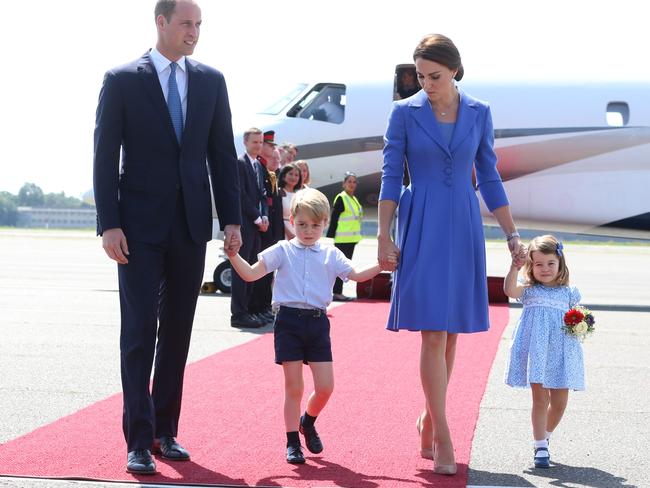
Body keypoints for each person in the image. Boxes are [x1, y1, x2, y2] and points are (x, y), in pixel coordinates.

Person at [93, 0, 242, 474]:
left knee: (177, 333)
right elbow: (103, 155)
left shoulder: (211, 81)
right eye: (185, 23)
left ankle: (164, 430)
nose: (194, 32)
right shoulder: (121, 80)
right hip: (135, 227)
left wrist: (232, 219)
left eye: (198, 25)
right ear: (161, 22)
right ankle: (137, 439)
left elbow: (221, 154)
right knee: (138, 332)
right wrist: (108, 222)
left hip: (190, 225)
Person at [376, 33, 525, 475]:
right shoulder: (403, 113)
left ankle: (427, 416)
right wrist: (383, 236)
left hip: (462, 223)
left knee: (453, 331)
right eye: (420, 76)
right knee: (432, 332)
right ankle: (443, 431)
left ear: (455, 70)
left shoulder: (480, 112)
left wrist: (512, 234)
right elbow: (388, 177)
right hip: (419, 220)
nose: (426, 84)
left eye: (434, 76)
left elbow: (490, 176)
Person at [226, 188, 392, 464]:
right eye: (302, 224)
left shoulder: (331, 253)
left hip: (317, 323)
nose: (308, 230)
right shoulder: (282, 250)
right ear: (292, 219)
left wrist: (381, 265)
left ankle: (308, 421)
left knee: (326, 387)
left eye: (315, 225)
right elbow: (252, 273)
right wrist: (233, 256)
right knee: (294, 387)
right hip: (288, 321)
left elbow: (357, 275)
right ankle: (292, 442)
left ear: (325, 223)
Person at [504, 235, 585, 469]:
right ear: (531, 267)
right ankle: (540, 446)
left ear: (560, 264)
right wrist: (513, 267)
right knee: (540, 399)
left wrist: (581, 322)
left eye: (550, 263)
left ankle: (545, 435)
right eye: (538, 264)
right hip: (537, 351)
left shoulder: (569, 293)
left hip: (561, 352)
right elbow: (510, 290)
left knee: (559, 402)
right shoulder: (529, 290)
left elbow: (576, 318)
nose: (545, 269)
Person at [231, 127, 268, 328]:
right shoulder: (240, 163)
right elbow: (241, 194)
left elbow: (261, 194)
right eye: (255, 142)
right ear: (245, 142)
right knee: (241, 270)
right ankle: (238, 313)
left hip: (256, 225)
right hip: (245, 224)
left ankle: (249, 309)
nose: (258, 145)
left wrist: (264, 216)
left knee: (252, 267)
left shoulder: (259, 166)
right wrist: (256, 217)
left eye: (261, 142)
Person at [249, 131, 284, 323]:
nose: (273, 151)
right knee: (260, 274)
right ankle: (255, 307)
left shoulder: (269, 173)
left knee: (267, 275)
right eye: (269, 146)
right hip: (263, 231)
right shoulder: (259, 169)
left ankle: (262, 306)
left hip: (271, 231)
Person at [327, 172, 363, 301]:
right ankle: (336, 292)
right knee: (340, 267)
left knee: (345, 267)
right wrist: (330, 234)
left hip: (351, 239)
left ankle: (338, 291)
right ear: (344, 184)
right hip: (342, 239)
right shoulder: (342, 198)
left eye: (354, 182)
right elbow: (335, 217)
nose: (352, 184)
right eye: (349, 182)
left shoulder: (354, 199)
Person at [278, 163, 303, 239]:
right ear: (283, 176)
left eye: (296, 175)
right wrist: (289, 234)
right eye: (290, 174)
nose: (293, 177)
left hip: (298, 232)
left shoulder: (300, 194)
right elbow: (278, 217)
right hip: (282, 232)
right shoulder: (278, 193)